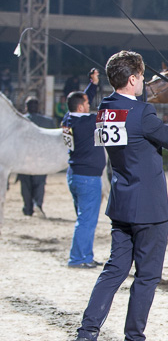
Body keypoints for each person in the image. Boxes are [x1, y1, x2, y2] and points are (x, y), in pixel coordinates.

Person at [66, 50, 168, 341]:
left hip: (122, 202)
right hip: (149, 208)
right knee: (147, 276)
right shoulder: (142, 113)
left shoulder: (105, 109)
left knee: (114, 271)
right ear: (132, 79)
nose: (143, 82)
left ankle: (87, 335)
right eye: (141, 77)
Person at [61, 91, 106, 269]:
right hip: (88, 178)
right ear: (80, 107)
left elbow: (77, 102)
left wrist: (92, 86)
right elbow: (108, 112)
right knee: (87, 220)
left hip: (75, 175)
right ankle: (78, 258)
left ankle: (85, 255)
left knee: (84, 219)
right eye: (87, 104)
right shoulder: (88, 122)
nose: (89, 106)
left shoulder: (68, 119)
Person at [17, 96, 57, 217]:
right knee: (39, 184)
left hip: (24, 159)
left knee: (26, 185)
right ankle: (38, 205)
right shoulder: (48, 122)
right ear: (38, 107)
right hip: (41, 159)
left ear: (26, 107)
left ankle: (28, 208)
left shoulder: (19, 121)